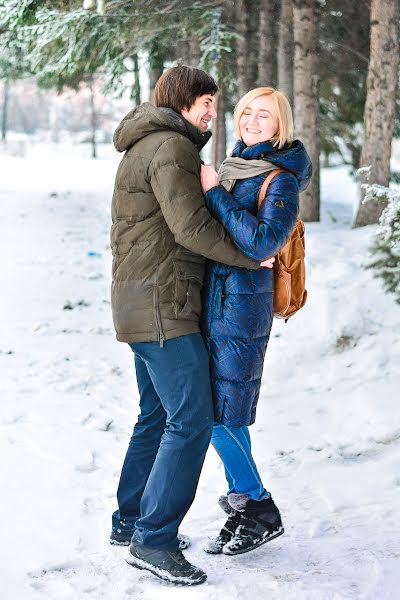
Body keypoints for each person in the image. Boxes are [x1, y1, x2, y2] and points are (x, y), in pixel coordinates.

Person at [109, 67, 273, 586]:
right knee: (192, 420)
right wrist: (250, 258)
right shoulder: (173, 148)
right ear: (184, 101)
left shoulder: (147, 143)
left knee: (156, 416)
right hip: (165, 306)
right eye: (206, 102)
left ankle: (130, 520)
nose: (212, 112)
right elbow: (191, 227)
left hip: (142, 302)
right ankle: (153, 539)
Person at [200, 87, 312, 556]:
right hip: (215, 301)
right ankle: (246, 507)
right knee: (223, 412)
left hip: (243, 308)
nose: (251, 120)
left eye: (263, 115)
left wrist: (216, 195)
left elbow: (263, 242)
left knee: (218, 415)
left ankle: (260, 506)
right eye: (246, 112)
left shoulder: (280, 179)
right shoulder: (234, 165)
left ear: (279, 124)